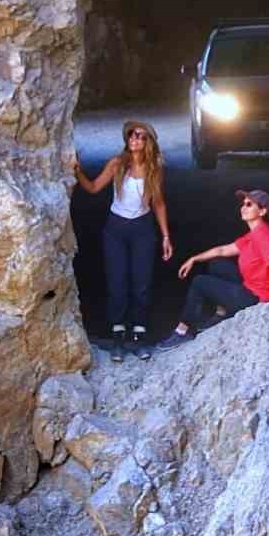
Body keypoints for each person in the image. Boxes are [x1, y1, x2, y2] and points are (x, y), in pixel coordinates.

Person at [156, 189, 269, 350]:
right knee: (217, 264)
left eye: (249, 205)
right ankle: (221, 313)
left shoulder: (263, 235)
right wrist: (193, 259)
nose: (243, 207)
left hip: (257, 298)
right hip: (251, 286)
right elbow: (222, 250)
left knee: (199, 282)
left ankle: (183, 332)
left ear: (262, 211)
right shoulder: (254, 234)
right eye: (243, 204)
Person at [75, 120, 173, 361]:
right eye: (131, 136)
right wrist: (77, 171)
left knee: (141, 284)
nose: (135, 139)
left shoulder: (155, 167)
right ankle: (118, 338)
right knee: (117, 283)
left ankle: (139, 337)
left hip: (143, 228)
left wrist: (166, 236)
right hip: (116, 229)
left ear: (148, 141)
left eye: (140, 136)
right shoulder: (117, 164)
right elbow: (94, 187)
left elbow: (158, 203)